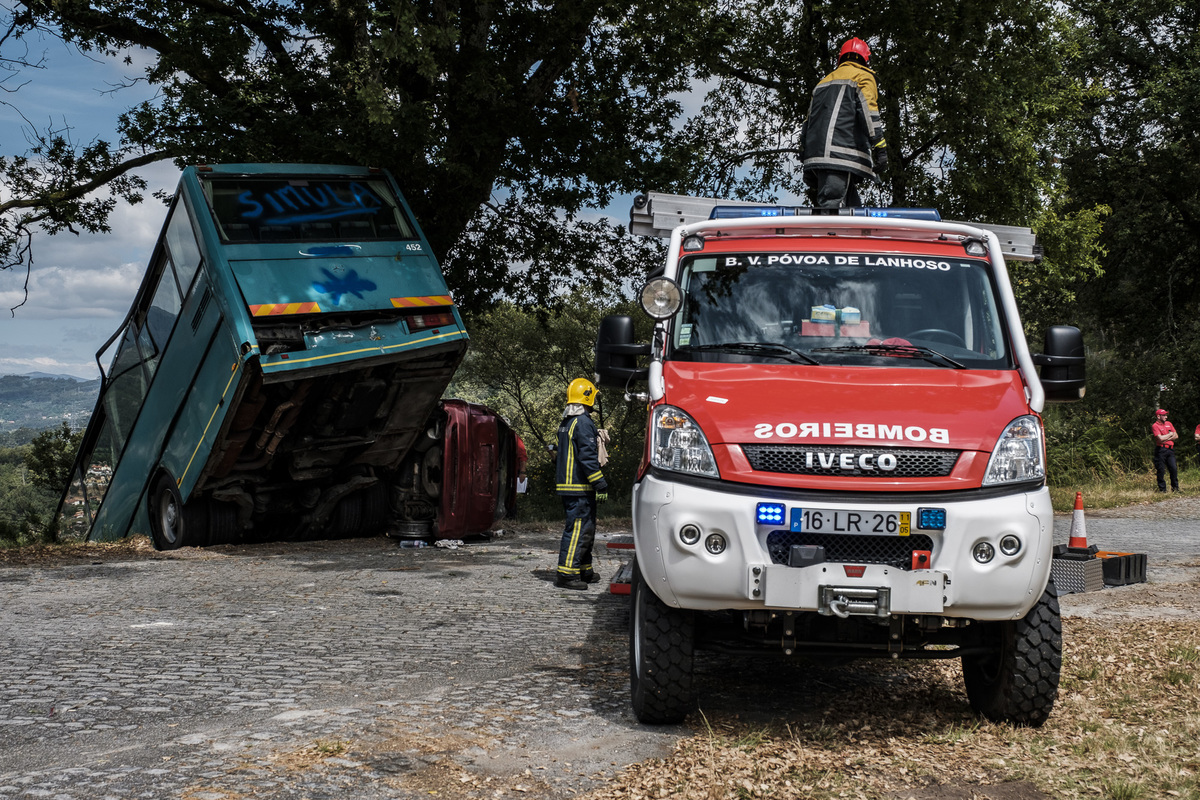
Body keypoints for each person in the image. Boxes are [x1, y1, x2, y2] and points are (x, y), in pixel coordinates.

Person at [801, 37, 889, 209]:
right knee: (831, 209)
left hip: (816, 155)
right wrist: (880, 147)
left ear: (840, 58)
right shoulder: (863, 77)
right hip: (841, 155)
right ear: (865, 59)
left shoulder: (823, 82)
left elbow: (808, 120)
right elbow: (868, 113)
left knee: (851, 208)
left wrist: (804, 152)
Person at [554, 377, 608, 590]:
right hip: (579, 487)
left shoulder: (568, 421)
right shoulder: (584, 422)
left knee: (586, 528)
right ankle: (566, 574)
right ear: (588, 397)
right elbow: (587, 456)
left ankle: (584, 569)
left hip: (571, 486)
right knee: (578, 529)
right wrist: (599, 482)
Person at [1152, 408, 1179, 492]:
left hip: (1170, 450)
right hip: (1161, 450)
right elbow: (1160, 439)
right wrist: (1170, 435)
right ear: (1158, 416)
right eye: (1164, 415)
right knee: (1161, 470)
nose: (1166, 417)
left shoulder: (1169, 424)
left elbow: (1176, 436)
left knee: (1173, 469)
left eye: (1166, 415)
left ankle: (1175, 489)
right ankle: (1162, 489)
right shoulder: (1155, 426)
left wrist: (1166, 437)